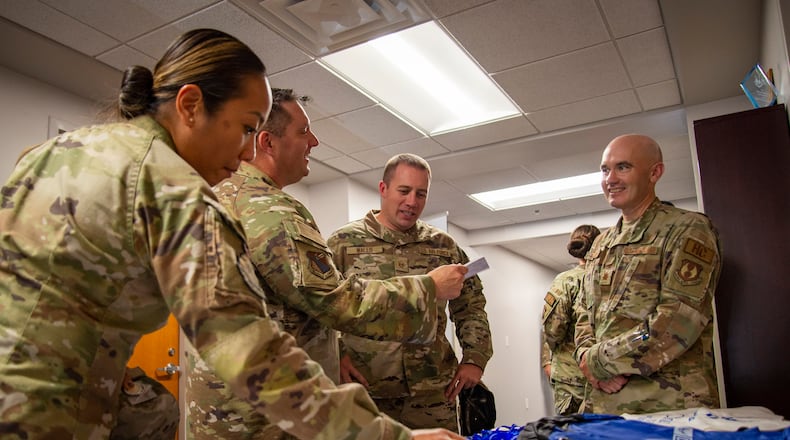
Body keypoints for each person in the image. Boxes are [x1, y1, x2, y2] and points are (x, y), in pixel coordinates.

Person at [0, 28, 466, 440]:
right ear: (190, 106)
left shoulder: (52, 152)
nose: (247, 149)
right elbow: (251, 354)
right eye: (245, 127)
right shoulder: (175, 191)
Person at [185, 88, 468, 439]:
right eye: (303, 132)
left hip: (229, 406)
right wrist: (428, 287)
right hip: (264, 418)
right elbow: (337, 301)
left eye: (421, 193)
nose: (314, 141)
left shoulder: (218, 197)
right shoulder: (270, 211)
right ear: (268, 142)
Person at [327, 153, 494, 432]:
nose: (412, 202)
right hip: (366, 390)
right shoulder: (343, 244)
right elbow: (320, 305)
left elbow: (471, 307)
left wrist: (475, 359)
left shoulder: (443, 247)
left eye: (421, 194)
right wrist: (337, 354)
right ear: (384, 189)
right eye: (404, 191)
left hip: (431, 391)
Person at [574, 134, 722, 414]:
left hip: (667, 406)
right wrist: (585, 357)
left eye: (623, 167)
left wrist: (598, 362)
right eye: (605, 170)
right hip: (604, 406)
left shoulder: (687, 229)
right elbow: (583, 315)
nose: (611, 179)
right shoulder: (600, 245)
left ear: (655, 172)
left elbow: (677, 321)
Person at [541, 224, 600, 415]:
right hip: (608, 373)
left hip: (573, 376)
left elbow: (553, 328)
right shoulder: (611, 277)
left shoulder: (567, 281)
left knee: (572, 432)